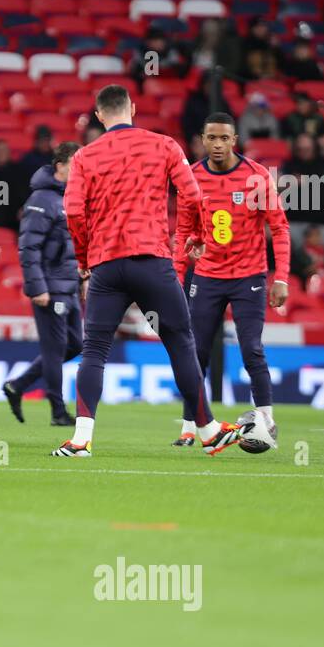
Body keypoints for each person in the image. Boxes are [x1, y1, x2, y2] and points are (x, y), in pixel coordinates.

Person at [54, 84, 244, 458]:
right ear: (133, 108)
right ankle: (206, 429)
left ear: (98, 116)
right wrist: (197, 236)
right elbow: (192, 195)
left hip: (107, 266)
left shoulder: (85, 157)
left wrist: (83, 260)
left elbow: (73, 212)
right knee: (180, 342)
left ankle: (80, 440)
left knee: (94, 351)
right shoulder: (164, 145)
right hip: (152, 262)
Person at [171, 113, 290, 448]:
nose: (218, 144)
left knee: (252, 348)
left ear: (235, 140)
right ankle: (190, 427)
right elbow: (184, 230)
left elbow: (279, 228)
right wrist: (178, 279)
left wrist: (280, 277)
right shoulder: (191, 177)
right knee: (196, 352)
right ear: (203, 140)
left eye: (224, 138)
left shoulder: (256, 177)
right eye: (212, 138)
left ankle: (265, 419)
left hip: (248, 277)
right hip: (207, 277)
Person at [2, 142, 83, 426]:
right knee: (55, 347)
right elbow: (29, 247)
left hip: (68, 284)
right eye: (76, 163)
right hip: (49, 287)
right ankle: (58, 412)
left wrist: (81, 275)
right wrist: (38, 287)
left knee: (75, 344)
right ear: (60, 165)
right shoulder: (42, 199)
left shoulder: (71, 197)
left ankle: (18, 385)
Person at [281, 134, 324, 245]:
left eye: (307, 149)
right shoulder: (289, 164)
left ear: (314, 148)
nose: (303, 152)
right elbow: (277, 183)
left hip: (321, 221)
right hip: (295, 220)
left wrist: (306, 182)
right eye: (300, 149)